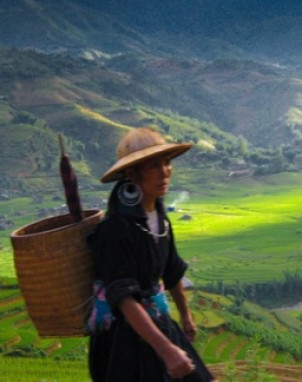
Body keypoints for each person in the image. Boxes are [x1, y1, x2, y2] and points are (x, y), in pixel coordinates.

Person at [87, 128, 214, 381]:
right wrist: (165, 348)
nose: (164, 171)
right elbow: (123, 297)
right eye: (153, 166)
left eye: (167, 163)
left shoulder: (159, 217)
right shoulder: (115, 229)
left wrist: (186, 317)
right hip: (124, 339)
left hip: (159, 322)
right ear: (133, 174)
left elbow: (172, 269)